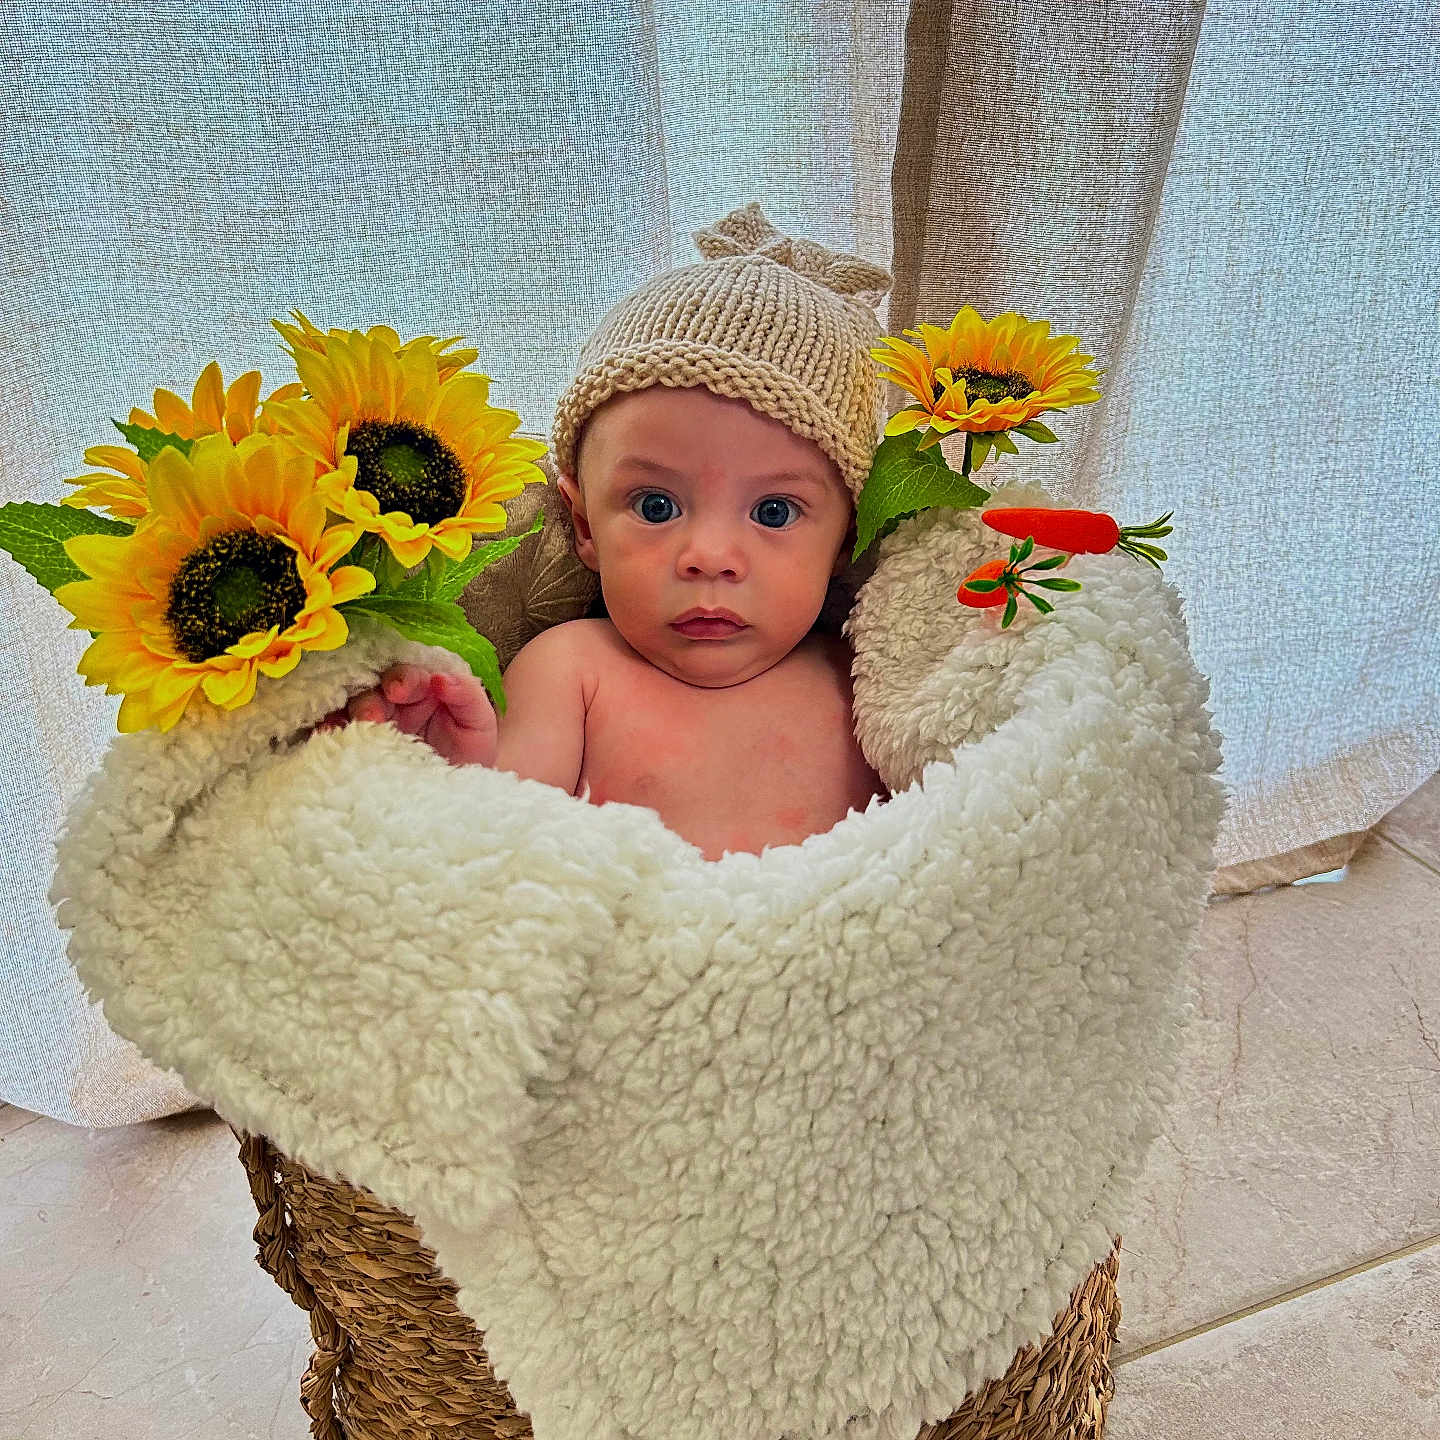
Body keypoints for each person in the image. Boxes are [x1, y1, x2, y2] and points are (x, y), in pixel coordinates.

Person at [325, 201, 893, 860]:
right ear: (583, 523)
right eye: (656, 506)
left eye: (773, 512)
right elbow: (495, 842)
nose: (709, 558)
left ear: (846, 536)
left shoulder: (866, 678)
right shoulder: (576, 670)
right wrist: (458, 760)